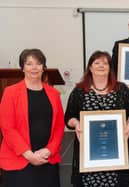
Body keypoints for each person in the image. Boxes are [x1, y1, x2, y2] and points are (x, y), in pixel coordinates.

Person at [64, 51, 129, 187]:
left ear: (110, 68)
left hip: (116, 152)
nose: (101, 66)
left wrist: (128, 125)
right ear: (90, 68)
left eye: (105, 63)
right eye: (97, 63)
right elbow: (69, 118)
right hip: (89, 152)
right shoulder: (79, 90)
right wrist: (76, 124)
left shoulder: (121, 88)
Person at [0, 49, 65, 187]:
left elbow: (59, 127)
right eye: (29, 64)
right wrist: (29, 155)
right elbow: (7, 128)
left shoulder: (54, 94)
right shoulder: (10, 93)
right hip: (19, 161)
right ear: (22, 68)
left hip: (47, 160)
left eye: (38, 63)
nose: (34, 67)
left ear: (43, 67)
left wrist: (49, 150)